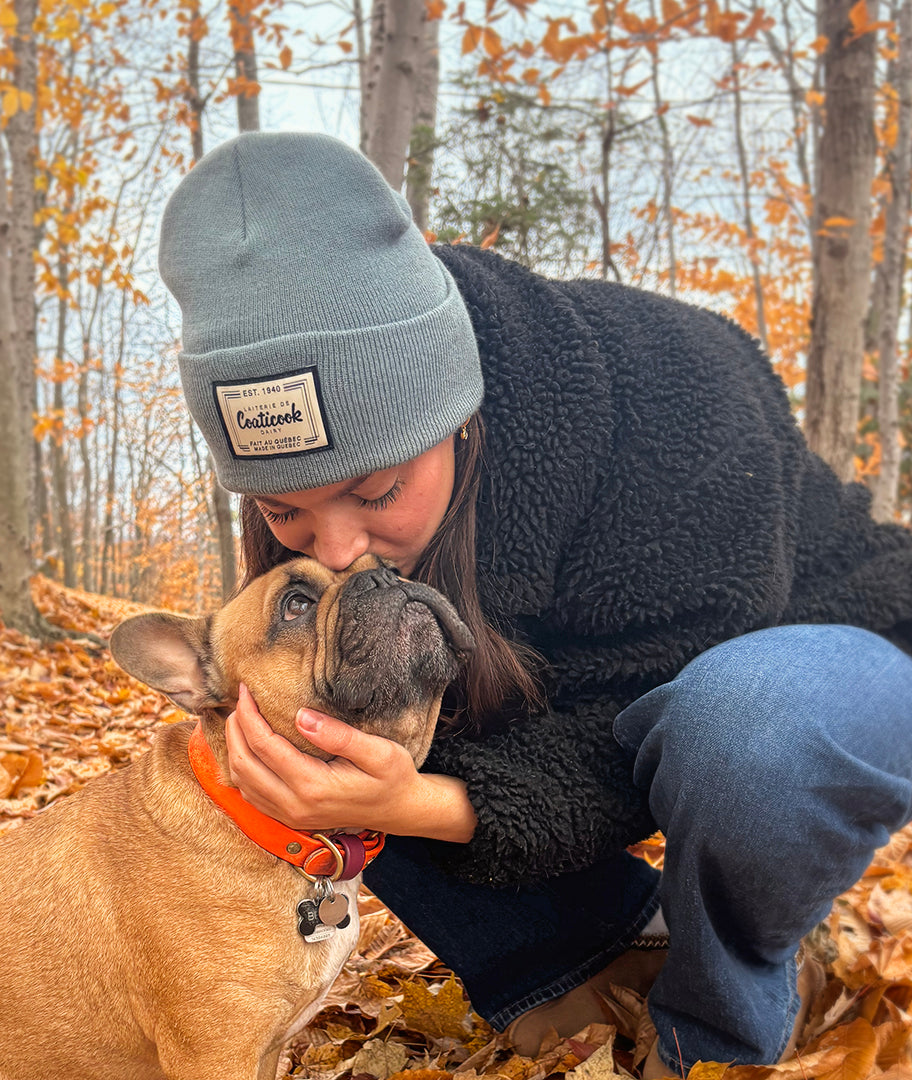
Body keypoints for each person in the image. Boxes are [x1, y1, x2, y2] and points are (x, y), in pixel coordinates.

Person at [157, 130, 912, 1074]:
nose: (340, 550)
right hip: (594, 735)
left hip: (818, 647)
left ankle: (723, 1019)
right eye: (286, 511)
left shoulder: (678, 388)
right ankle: (591, 958)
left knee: (750, 732)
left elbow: (651, 703)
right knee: (312, 718)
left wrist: (434, 802)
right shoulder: (330, 547)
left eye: (379, 491)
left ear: (455, 413)